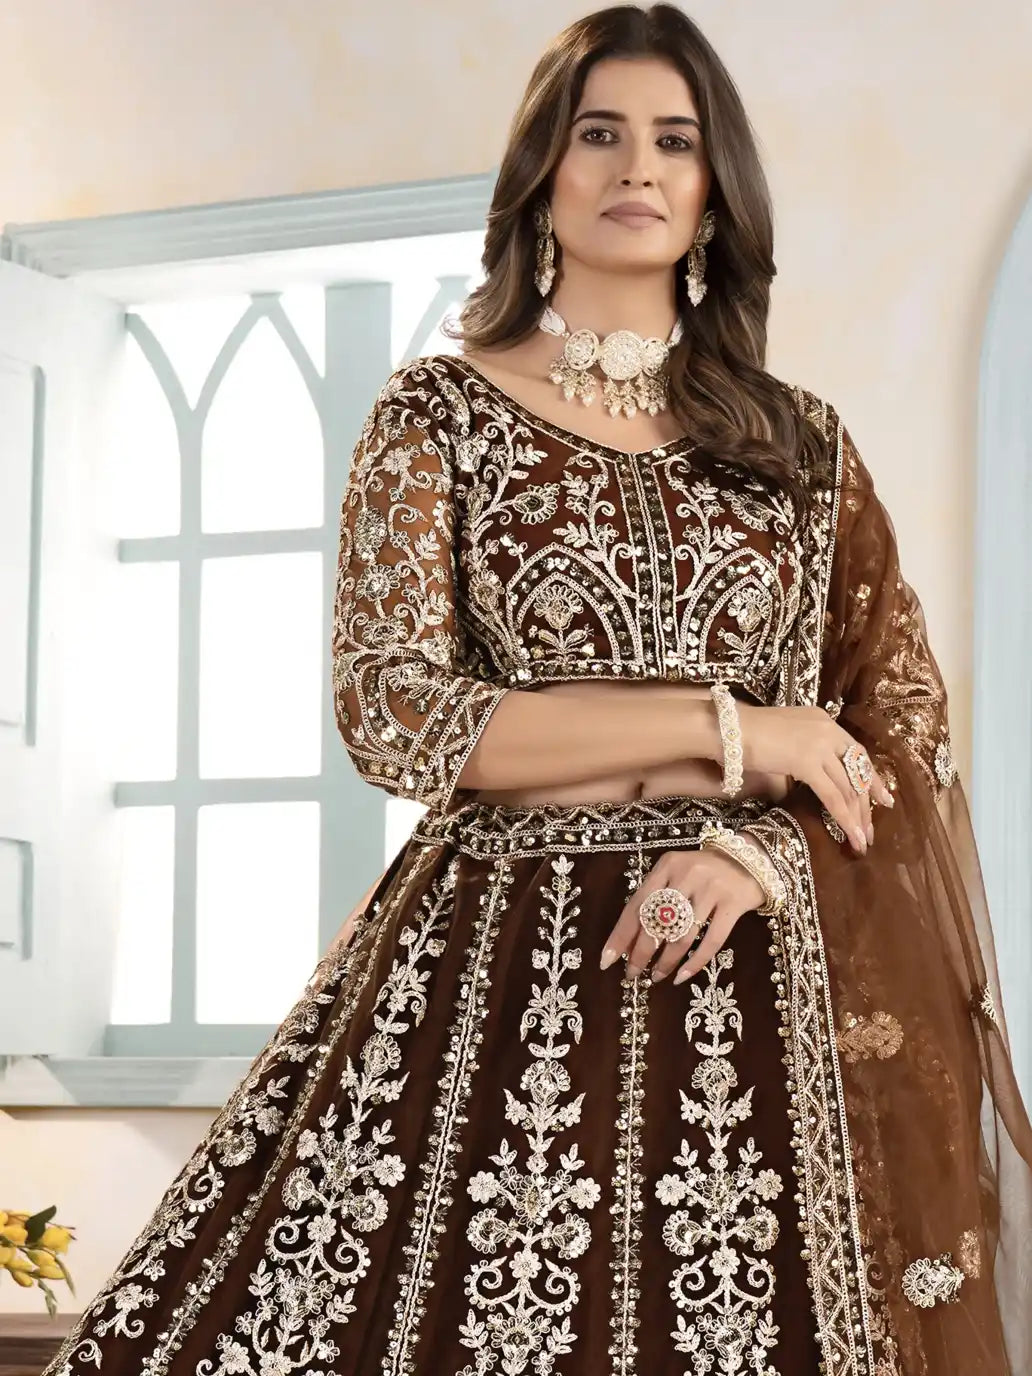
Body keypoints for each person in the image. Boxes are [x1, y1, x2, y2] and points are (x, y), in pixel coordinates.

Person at [43, 6, 1032, 1374]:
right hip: (494, 974)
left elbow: (897, 720)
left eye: (676, 142)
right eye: (601, 134)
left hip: (747, 964)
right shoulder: (435, 417)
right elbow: (397, 710)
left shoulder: (801, 446)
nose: (639, 167)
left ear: (713, 190)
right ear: (543, 178)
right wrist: (734, 728)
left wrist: (762, 845)